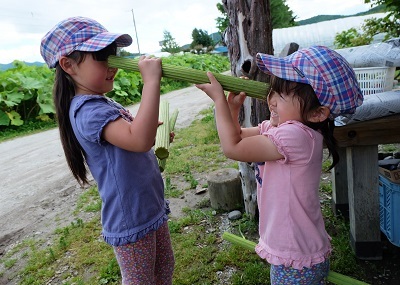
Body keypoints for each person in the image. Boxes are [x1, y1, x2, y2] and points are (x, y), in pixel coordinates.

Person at [196, 45, 363, 284]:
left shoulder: (296, 137)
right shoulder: (281, 129)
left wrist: (219, 102)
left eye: (282, 95)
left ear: (317, 113)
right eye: (273, 90)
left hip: (295, 253)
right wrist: (232, 109)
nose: (271, 100)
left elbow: (232, 148)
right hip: (292, 247)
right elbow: (238, 135)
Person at [40, 16, 175, 285]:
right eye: (102, 55)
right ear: (68, 64)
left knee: (164, 270)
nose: (112, 63)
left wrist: (151, 131)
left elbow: (134, 138)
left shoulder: (100, 101)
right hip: (131, 219)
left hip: (148, 208)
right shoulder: (87, 111)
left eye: (113, 53)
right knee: (141, 280)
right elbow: (137, 140)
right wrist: (151, 82)